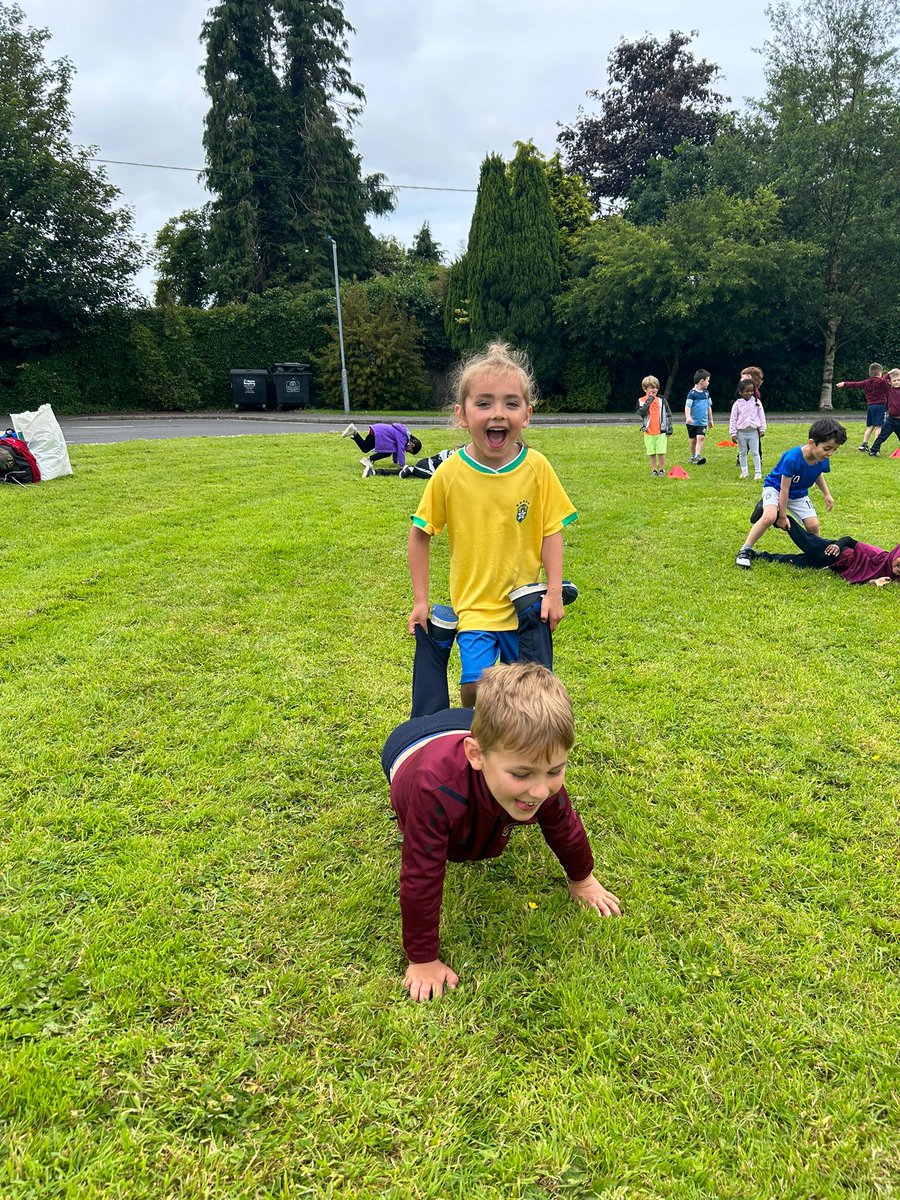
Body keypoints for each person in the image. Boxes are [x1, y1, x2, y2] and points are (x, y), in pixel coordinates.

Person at [382, 656, 621, 1002]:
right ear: (476, 755)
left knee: (521, 777)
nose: (541, 790)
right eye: (522, 775)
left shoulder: (534, 767)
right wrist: (423, 959)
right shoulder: (432, 788)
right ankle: (432, 641)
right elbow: (421, 874)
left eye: (556, 770)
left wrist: (582, 880)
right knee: (424, 710)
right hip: (409, 745)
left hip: (466, 724)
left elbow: (563, 823)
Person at [408, 342, 577, 707]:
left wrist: (552, 591)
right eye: (484, 403)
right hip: (474, 611)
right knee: (477, 690)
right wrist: (421, 600)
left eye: (511, 403)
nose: (498, 413)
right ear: (462, 414)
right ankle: (480, 749)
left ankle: (513, 756)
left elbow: (552, 530)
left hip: (525, 610)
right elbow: (420, 534)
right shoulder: (450, 473)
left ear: (527, 414)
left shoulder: (537, 468)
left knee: (526, 698)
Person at [735, 416, 847, 569]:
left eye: (834, 449)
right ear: (811, 443)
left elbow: (818, 473)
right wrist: (781, 516)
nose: (830, 453)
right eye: (827, 449)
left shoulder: (822, 457)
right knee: (769, 517)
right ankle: (745, 551)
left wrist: (826, 494)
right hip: (776, 488)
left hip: (799, 493)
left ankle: (816, 556)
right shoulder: (792, 458)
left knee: (813, 525)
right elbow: (784, 489)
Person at [753, 516, 900, 585]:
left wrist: (874, 582)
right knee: (807, 541)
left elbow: (864, 579)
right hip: (837, 553)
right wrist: (837, 545)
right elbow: (849, 540)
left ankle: (758, 555)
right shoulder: (879, 556)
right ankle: (779, 516)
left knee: (795, 561)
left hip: (832, 564)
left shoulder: (890, 577)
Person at [835, 363, 891, 452]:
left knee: (870, 427)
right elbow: (885, 383)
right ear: (879, 373)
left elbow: (855, 384)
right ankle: (876, 446)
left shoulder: (866, 382)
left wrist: (844, 383)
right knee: (879, 427)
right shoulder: (881, 382)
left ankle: (864, 444)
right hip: (880, 406)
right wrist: (888, 374)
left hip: (870, 407)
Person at [342, 421, 422, 472]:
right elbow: (400, 450)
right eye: (409, 450)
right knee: (387, 453)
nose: (407, 451)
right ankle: (368, 460)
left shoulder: (404, 434)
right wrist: (402, 465)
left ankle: (354, 432)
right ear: (412, 445)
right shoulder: (404, 438)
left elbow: (396, 449)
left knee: (365, 448)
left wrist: (395, 461)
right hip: (379, 433)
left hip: (377, 430)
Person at [730, 377, 767, 480]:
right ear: (740, 392)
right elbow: (733, 419)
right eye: (747, 391)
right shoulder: (737, 404)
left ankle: (758, 472)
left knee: (755, 452)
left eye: (751, 391)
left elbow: (761, 416)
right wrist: (733, 433)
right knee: (742, 452)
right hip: (741, 432)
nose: (750, 393)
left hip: (753, 432)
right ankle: (744, 471)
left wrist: (762, 429)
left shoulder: (757, 402)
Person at [638, 375, 673, 477]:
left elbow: (668, 414)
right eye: (651, 388)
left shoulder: (662, 400)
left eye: (656, 387)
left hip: (660, 431)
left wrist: (669, 428)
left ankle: (662, 470)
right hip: (648, 432)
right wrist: (650, 400)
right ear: (645, 389)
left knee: (661, 452)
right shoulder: (641, 400)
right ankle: (654, 470)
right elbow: (642, 412)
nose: (654, 390)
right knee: (651, 452)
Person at [866, 368, 900, 456]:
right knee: (882, 436)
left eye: (899, 380)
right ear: (890, 382)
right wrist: (889, 373)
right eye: (894, 380)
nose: (896, 382)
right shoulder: (888, 390)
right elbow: (881, 382)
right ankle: (874, 450)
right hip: (891, 420)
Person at [364, 448, 457, 479]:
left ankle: (375, 472)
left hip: (425, 465)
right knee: (432, 475)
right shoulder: (453, 455)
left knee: (400, 472)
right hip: (428, 464)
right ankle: (411, 469)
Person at [684, 369, 713, 464]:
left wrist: (710, 420)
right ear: (702, 381)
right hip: (692, 422)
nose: (708, 383)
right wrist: (688, 417)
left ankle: (698, 456)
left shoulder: (706, 393)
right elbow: (687, 407)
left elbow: (709, 407)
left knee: (701, 437)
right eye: (708, 380)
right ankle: (693, 456)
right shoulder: (692, 394)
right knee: (693, 440)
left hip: (702, 422)